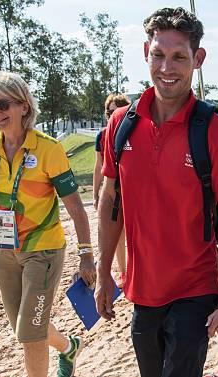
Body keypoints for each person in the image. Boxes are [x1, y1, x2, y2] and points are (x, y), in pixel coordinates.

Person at [95, 7, 218, 377]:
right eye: (159, 55)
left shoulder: (217, 133)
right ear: (146, 52)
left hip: (195, 289)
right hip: (142, 291)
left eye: (179, 57)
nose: (167, 67)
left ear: (198, 59)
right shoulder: (121, 124)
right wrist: (103, 272)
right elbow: (109, 202)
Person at [0, 70, 96, 377]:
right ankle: (70, 347)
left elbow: (75, 206)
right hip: (3, 253)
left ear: (24, 107)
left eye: (2, 104)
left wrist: (86, 254)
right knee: (28, 325)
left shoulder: (48, 149)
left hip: (42, 253)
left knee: (29, 334)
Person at [93, 93, 130, 287]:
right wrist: (95, 193)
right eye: (109, 111)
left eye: (116, 111)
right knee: (117, 234)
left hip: (131, 193)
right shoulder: (102, 135)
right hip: (113, 193)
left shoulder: (133, 130)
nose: (112, 115)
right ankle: (123, 272)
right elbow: (99, 166)